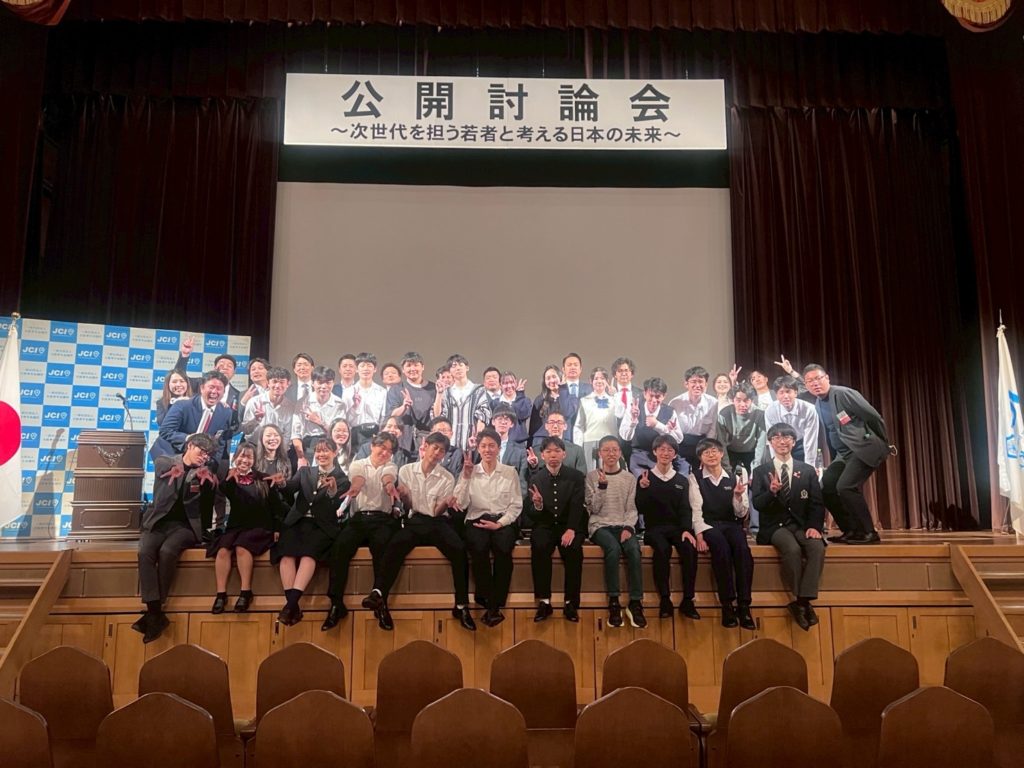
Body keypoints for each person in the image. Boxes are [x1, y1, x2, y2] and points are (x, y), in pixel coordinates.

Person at [361, 432, 476, 632]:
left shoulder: (447, 477)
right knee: (394, 545)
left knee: (459, 549)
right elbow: (408, 506)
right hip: (414, 520)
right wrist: (405, 496)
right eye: (435, 447)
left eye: (442, 450)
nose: (437, 453)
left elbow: (436, 512)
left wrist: (445, 502)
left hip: (436, 522)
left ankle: (461, 605)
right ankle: (378, 593)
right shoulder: (406, 470)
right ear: (425, 446)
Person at [136, 433, 217, 643]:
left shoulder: (204, 473)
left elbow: (207, 505)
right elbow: (163, 468)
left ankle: (153, 613)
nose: (204, 457)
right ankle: (155, 612)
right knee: (145, 552)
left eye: (207, 455)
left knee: (167, 551)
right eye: (201, 451)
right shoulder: (166, 462)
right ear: (190, 446)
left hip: (186, 526)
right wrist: (180, 470)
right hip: (158, 522)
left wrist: (207, 483)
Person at [804, 364, 893, 544]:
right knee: (827, 488)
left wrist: (882, 442)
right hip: (843, 455)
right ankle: (851, 530)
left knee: (846, 487)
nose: (815, 383)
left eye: (818, 378)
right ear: (806, 385)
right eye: (810, 381)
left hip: (862, 448)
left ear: (827, 378)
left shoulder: (843, 394)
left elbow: (873, 417)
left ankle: (869, 532)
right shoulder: (818, 403)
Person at [322, 432, 401, 630]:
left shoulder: (391, 466)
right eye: (382, 447)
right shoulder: (358, 464)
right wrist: (355, 489)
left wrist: (390, 487)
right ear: (373, 446)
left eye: (389, 450)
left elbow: (388, 478)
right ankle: (336, 604)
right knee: (339, 548)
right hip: (359, 519)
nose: (385, 452)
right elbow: (359, 479)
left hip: (382, 519)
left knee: (383, 549)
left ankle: (380, 600)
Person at [751, 423, 826, 631]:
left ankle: (801, 601)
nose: (782, 441)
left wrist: (814, 526)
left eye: (786, 437)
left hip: (801, 525)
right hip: (775, 527)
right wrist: (772, 492)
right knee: (792, 549)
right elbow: (757, 504)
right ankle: (803, 602)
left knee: (817, 547)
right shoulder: (761, 471)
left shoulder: (807, 470)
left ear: (793, 442)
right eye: (776, 437)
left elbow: (817, 503)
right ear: (770, 442)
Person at [271, 436, 349, 626]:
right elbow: (289, 490)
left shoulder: (342, 479)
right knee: (286, 555)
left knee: (309, 555)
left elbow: (337, 505)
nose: (321, 454)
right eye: (318, 451)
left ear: (335, 452)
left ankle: (290, 606)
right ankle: (292, 607)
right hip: (296, 522)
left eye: (326, 450)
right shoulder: (305, 471)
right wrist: (281, 483)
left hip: (321, 526)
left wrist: (332, 491)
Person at [453, 428, 522, 627]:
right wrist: (466, 477)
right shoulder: (470, 471)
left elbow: (516, 505)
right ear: (478, 448)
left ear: (499, 448)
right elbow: (460, 504)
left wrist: (500, 523)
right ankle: (493, 606)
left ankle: (491, 601)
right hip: (477, 519)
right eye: (483, 446)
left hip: (502, 520)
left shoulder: (510, 472)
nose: (487, 449)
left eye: (492, 446)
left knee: (503, 549)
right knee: (479, 549)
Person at [208, 441, 285, 614]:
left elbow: (277, 507)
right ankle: (221, 594)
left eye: (249, 457)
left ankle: (245, 592)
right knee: (223, 550)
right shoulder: (230, 478)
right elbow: (224, 490)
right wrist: (230, 477)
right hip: (236, 526)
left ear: (255, 460)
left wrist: (278, 528)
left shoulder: (264, 478)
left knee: (242, 547)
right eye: (241, 456)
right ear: (235, 458)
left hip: (261, 526)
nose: (244, 460)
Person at [689, 438, 755, 629]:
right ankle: (727, 604)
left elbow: (741, 513)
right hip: (708, 524)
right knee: (721, 549)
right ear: (700, 457)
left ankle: (744, 605)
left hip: (730, 523)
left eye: (714, 451)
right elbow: (695, 509)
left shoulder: (734, 477)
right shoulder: (695, 477)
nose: (711, 455)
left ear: (721, 454)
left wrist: (737, 496)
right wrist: (699, 534)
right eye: (706, 452)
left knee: (743, 550)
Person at [585, 436, 647, 629]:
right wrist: (602, 487)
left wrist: (628, 527)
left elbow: (632, 508)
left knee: (634, 550)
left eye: (614, 450)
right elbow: (593, 509)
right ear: (600, 453)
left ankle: (635, 602)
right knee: (612, 549)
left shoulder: (629, 478)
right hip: (599, 525)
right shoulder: (592, 476)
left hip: (623, 524)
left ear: (620, 452)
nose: (611, 454)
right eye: (606, 450)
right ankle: (614, 601)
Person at [636, 435, 701, 620]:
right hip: (653, 529)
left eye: (670, 450)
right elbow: (640, 508)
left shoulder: (681, 480)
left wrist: (686, 530)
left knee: (689, 548)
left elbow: (685, 509)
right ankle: (665, 599)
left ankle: (688, 600)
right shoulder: (645, 478)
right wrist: (643, 489)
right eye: (662, 449)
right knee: (662, 549)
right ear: (654, 452)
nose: (665, 453)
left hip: (677, 528)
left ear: (675, 454)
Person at [526, 436, 586, 623]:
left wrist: (571, 529)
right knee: (539, 546)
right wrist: (537, 505)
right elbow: (531, 513)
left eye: (557, 451)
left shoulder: (576, 476)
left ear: (564, 454)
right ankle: (544, 601)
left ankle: (571, 602)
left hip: (569, 525)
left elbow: (577, 505)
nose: (553, 455)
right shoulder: (536, 478)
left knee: (574, 549)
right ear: (542, 455)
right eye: (549, 451)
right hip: (545, 525)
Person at [619, 377, 679, 476]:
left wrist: (658, 425)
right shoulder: (633, 408)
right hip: (639, 454)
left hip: (662, 454)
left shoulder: (669, 411)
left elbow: (678, 439)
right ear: (645, 394)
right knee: (642, 481)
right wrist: (633, 421)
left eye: (658, 396)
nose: (654, 400)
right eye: (651, 396)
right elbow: (626, 437)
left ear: (664, 396)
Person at [385, 351, 437, 460]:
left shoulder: (433, 389)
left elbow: (438, 415)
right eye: (408, 365)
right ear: (403, 370)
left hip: (426, 440)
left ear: (422, 367)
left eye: (416, 365)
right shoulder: (396, 389)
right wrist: (404, 407)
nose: (412, 369)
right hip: (403, 441)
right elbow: (391, 414)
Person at [292, 366, 348, 465]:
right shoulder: (302, 402)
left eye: (328, 382)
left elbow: (339, 434)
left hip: (331, 445)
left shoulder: (340, 404)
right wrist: (301, 458)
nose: (324, 386)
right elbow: (296, 434)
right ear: (312, 383)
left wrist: (319, 422)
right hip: (309, 446)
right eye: (320, 382)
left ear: (333, 383)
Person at [668, 366, 719, 473]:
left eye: (701, 382)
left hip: (702, 444)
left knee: (702, 475)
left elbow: (712, 430)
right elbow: (671, 430)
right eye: (693, 382)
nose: (697, 385)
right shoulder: (675, 403)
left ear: (706, 384)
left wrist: (707, 451)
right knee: (682, 474)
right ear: (686, 384)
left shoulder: (713, 403)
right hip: (681, 443)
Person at [435, 355, 491, 451]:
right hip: (450, 444)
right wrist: (439, 394)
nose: (458, 368)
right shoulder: (447, 392)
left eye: (461, 365)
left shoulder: (478, 390)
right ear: (450, 371)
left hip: (471, 443)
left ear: (467, 368)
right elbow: (437, 416)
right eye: (454, 366)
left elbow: (483, 414)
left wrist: (477, 436)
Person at [175, 335, 242, 414]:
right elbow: (179, 377)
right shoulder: (200, 383)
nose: (225, 367)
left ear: (234, 372)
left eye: (229, 366)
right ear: (214, 368)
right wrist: (185, 355)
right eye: (221, 364)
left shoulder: (238, 395)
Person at [764, 376, 820, 464]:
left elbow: (810, 441)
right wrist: (776, 462)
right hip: (780, 443)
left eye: (788, 391)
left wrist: (810, 465)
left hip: (801, 444)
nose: (785, 396)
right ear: (776, 395)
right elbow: (772, 438)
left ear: (796, 393)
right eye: (781, 392)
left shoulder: (809, 409)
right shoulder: (770, 410)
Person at [573, 367, 619, 471]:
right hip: (590, 441)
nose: (599, 381)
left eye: (602, 378)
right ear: (591, 381)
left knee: (610, 473)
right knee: (591, 474)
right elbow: (579, 426)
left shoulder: (614, 400)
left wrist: (616, 395)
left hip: (610, 442)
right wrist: (578, 447)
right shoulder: (584, 400)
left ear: (607, 381)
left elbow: (621, 415)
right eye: (596, 378)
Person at [240, 366, 297, 447]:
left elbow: (287, 436)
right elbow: (245, 430)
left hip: (278, 449)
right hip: (254, 447)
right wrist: (256, 420)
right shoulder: (254, 402)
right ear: (268, 383)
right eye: (274, 381)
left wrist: (280, 452)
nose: (277, 385)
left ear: (288, 384)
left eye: (282, 382)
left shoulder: (290, 407)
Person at [525, 411, 587, 476]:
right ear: (546, 426)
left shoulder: (576, 451)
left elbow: (582, 475)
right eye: (551, 422)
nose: (555, 426)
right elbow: (532, 477)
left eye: (559, 422)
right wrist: (533, 467)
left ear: (565, 426)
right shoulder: (536, 451)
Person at [349, 352, 389, 453]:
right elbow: (345, 419)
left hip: (375, 433)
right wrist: (355, 407)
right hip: (355, 434)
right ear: (356, 369)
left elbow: (383, 416)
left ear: (375, 369)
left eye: (369, 366)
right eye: (362, 366)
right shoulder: (348, 392)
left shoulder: (382, 392)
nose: (366, 369)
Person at [530, 365, 578, 446]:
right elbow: (533, 427)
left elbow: (567, 413)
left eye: (554, 377)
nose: (551, 380)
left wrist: (563, 389)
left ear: (560, 377)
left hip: (563, 440)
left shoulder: (571, 398)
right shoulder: (540, 400)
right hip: (542, 441)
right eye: (548, 378)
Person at [493, 371, 531, 444]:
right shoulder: (495, 403)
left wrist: (520, 395)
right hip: (499, 442)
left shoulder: (524, 400)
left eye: (511, 382)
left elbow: (523, 415)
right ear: (500, 385)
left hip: (519, 443)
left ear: (516, 383)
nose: (509, 386)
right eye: (505, 383)